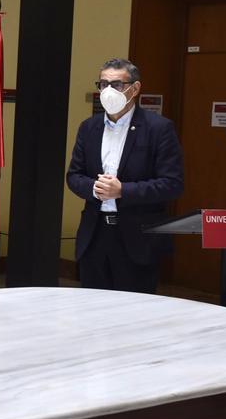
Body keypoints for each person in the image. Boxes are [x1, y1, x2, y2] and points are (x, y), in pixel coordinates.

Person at [66, 58, 183, 294]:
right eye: (103, 84)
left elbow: (172, 184)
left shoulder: (158, 128)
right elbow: (74, 175)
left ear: (135, 88)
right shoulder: (89, 127)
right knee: (92, 309)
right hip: (95, 235)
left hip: (136, 239)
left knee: (132, 313)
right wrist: (94, 188)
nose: (108, 91)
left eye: (117, 85)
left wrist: (123, 191)